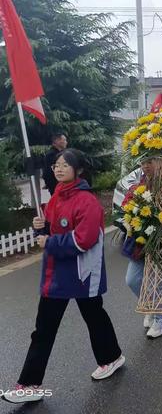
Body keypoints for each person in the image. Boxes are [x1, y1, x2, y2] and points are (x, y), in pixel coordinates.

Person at [3, 149, 123, 405]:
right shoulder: (57, 196)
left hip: (80, 273)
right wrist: (42, 227)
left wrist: (50, 240)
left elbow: (84, 239)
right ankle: (29, 383)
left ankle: (111, 357)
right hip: (57, 274)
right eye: (56, 165)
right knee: (44, 328)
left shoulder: (87, 201)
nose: (58, 169)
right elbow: (53, 229)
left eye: (64, 165)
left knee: (95, 318)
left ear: (78, 170)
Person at [121, 158, 162, 339]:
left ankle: (161, 318)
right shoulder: (137, 187)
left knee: (156, 281)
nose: (145, 166)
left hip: (160, 243)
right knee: (132, 280)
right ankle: (151, 307)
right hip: (139, 244)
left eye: (149, 162)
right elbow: (125, 206)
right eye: (142, 163)